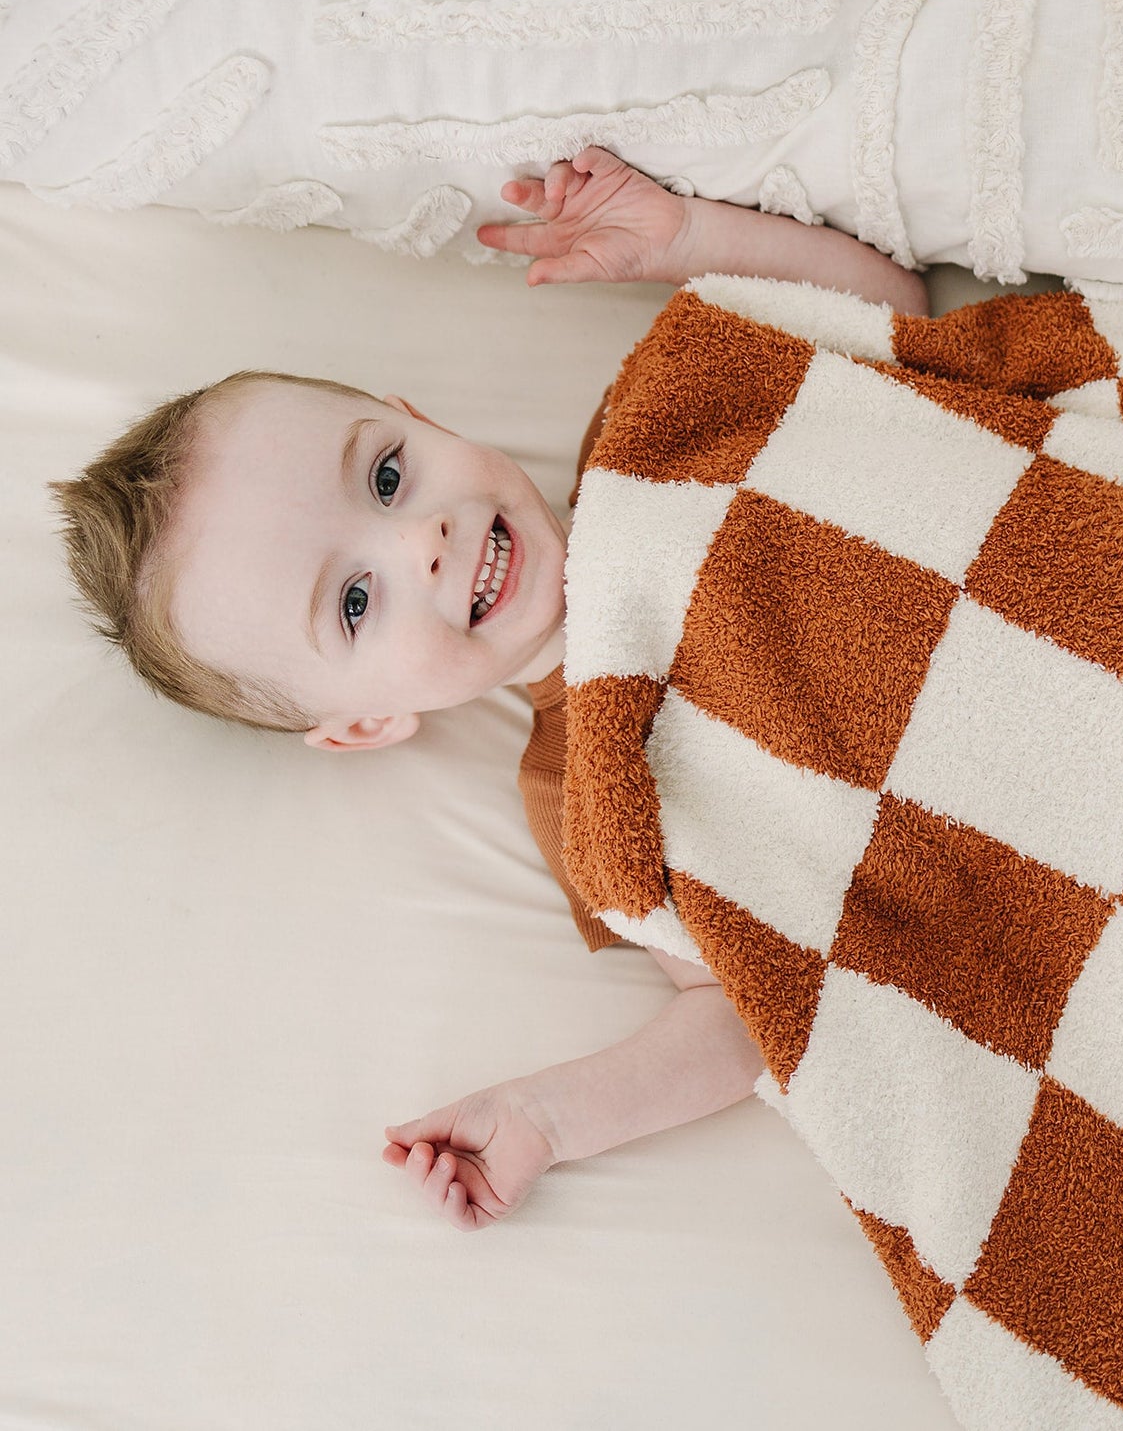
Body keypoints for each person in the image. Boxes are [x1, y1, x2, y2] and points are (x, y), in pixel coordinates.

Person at [50, 147, 927, 1231]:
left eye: (386, 475)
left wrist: (693, 240)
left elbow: (892, 322)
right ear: (366, 721)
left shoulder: (664, 426)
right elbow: (750, 1002)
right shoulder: (584, 795)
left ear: (421, 416)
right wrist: (548, 1117)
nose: (421, 540)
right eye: (355, 602)